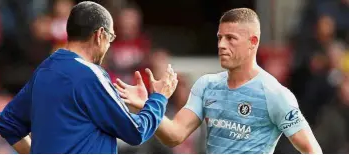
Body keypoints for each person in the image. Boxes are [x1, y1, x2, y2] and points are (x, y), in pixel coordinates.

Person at [115, 8, 322, 154]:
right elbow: (175, 135)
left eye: (231, 38)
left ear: (253, 42)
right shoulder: (207, 85)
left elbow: (312, 150)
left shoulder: (275, 94)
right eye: (219, 37)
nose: (222, 45)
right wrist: (148, 105)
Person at [0, 1, 178, 154]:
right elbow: (136, 132)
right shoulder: (90, 74)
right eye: (111, 38)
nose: (108, 47)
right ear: (100, 35)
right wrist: (158, 99)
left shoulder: (45, 69)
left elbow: (8, 124)